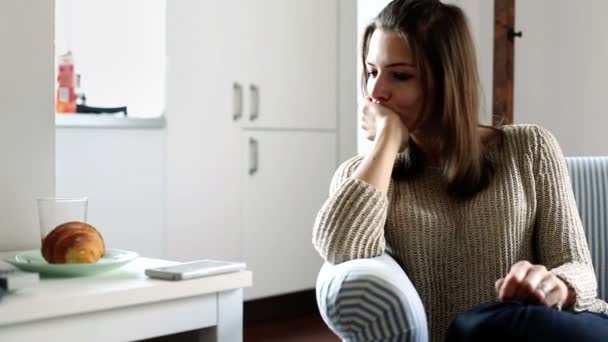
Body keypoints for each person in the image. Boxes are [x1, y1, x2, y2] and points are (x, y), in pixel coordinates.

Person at [312, 0, 608, 341]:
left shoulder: (530, 147)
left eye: (401, 75)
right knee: (477, 329)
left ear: (447, 80)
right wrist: (387, 141)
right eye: (372, 72)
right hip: (470, 336)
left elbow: (580, 269)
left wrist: (555, 286)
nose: (375, 93)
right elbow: (340, 248)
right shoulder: (366, 177)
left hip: (551, 328)